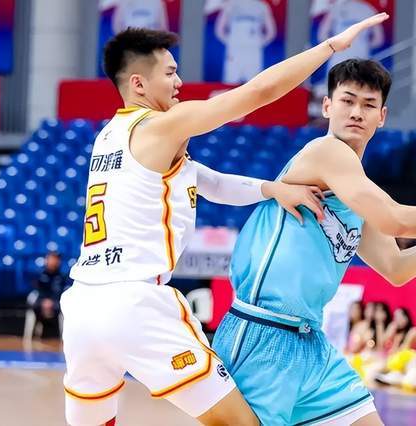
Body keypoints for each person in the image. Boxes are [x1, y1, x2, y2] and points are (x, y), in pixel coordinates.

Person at [60, 17, 390, 426]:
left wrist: (272, 189)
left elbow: (208, 181)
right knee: (242, 423)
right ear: (139, 84)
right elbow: (257, 93)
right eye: (170, 73)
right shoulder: (162, 126)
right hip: (134, 303)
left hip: (81, 306)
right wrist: (329, 47)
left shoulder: (110, 136)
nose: (179, 82)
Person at [212, 57, 416, 424]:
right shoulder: (327, 152)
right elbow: (396, 220)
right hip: (262, 334)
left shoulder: (360, 195)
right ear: (327, 106)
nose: (356, 112)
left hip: (310, 342)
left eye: (368, 105)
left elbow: (397, 269)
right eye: (347, 101)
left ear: (382, 117)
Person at [215, 0, 277, 84]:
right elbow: (219, 30)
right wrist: (231, 42)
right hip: (235, 51)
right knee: (231, 81)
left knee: (254, 84)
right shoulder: (230, 4)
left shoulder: (262, 6)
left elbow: (271, 32)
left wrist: (258, 44)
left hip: (253, 52)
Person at [27, 252, 69, 332]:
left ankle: (61, 335)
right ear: (46, 261)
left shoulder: (63, 277)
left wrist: (52, 302)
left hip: (57, 303)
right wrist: (44, 302)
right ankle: (33, 333)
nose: (53, 262)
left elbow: (63, 292)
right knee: (34, 306)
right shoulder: (39, 275)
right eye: (51, 259)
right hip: (41, 302)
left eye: (55, 259)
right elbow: (37, 292)